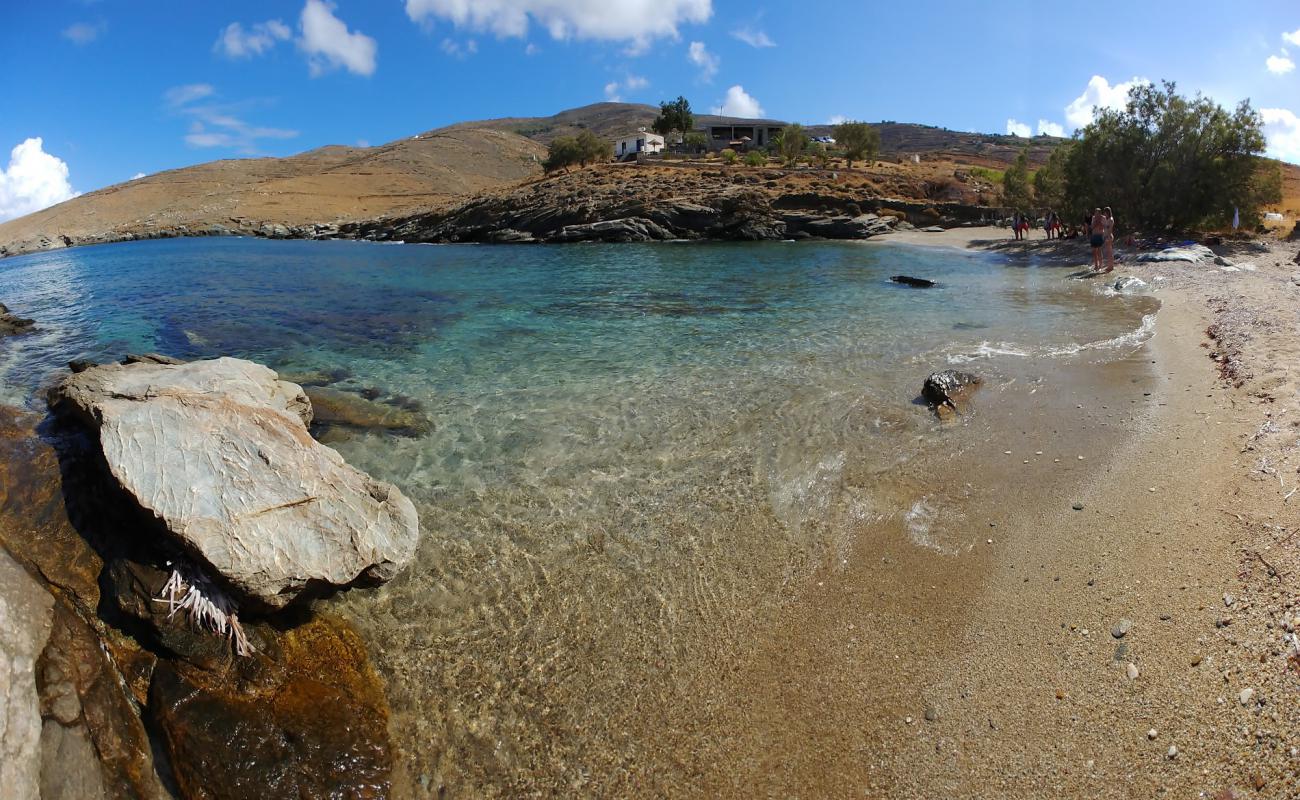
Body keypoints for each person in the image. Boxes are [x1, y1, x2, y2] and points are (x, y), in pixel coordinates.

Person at [1089, 207, 1105, 271]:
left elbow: (1103, 227)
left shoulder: (1103, 218)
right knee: (1094, 251)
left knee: (1099, 251)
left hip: (1100, 235)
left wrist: (1100, 222)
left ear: (1100, 213)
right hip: (1094, 235)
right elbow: (1092, 227)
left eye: (1098, 213)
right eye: (1095, 213)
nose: (1096, 214)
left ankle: (1100, 265)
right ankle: (1096, 265)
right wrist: (1095, 222)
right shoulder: (1093, 218)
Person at [1102, 206, 1116, 272]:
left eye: (1105, 212)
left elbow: (1110, 229)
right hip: (1106, 236)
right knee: (1108, 252)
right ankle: (1110, 265)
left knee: (1109, 252)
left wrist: (1107, 237)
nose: (1104, 213)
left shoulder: (1110, 219)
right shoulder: (1107, 219)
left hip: (1109, 236)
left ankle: (1111, 266)